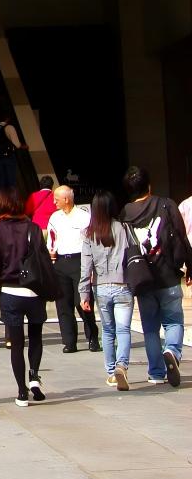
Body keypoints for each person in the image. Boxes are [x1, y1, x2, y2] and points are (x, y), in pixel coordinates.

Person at [119, 165, 192, 387]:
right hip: (168, 274)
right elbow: (181, 236)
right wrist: (190, 265)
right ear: (149, 186)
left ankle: (156, 373)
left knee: (150, 328)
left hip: (142, 278)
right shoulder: (166, 204)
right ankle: (172, 351)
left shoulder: (124, 214)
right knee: (173, 321)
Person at [0, 187, 48, 407]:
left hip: (10, 292)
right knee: (36, 336)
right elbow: (43, 259)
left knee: (16, 343)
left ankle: (22, 391)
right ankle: (34, 377)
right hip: (34, 291)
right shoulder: (34, 228)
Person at [79, 191, 132, 391]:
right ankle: (122, 366)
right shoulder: (123, 228)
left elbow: (86, 266)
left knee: (108, 331)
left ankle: (111, 373)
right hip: (123, 285)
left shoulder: (89, 233)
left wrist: (84, 293)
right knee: (123, 329)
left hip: (100, 287)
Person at [47, 185, 100, 354]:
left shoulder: (84, 216)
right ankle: (69, 341)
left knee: (82, 302)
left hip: (80, 261)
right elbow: (51, 239)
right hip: (61, 261)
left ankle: (92, 336)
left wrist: (92, 268)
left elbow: (92, 240)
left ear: (66, 199)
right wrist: (51, 256)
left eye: (56, 199)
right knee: (63, 304)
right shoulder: (55, 217)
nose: (54, 202)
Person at [0, 109, 26, 191]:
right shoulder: (9, 127)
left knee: (1, 182)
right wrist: (24, 146)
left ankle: (2, 198)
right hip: (9, 158)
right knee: (11, 182)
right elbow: (17, 145)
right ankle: (12, 197)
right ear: (7, 118)